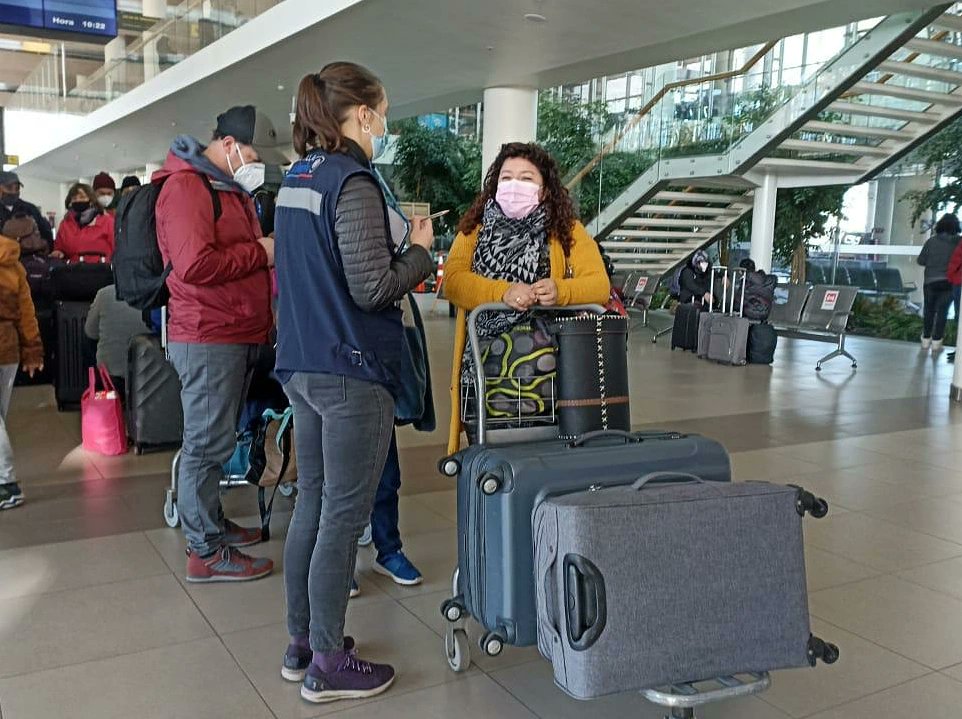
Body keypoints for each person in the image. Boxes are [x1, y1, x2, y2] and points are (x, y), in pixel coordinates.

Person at [274, 62, 435, 704]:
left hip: (304, 364)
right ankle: (328, 663)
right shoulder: (353, 180)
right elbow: (372, 287)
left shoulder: (297, 178)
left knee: (312, 504)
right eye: (385, 111)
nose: (387, 123)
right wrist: (420, 252)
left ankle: (302, 643)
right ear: (362, 113)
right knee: (342, 513)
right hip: (351, 369)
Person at [154, 104, 284, 583]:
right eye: (254, 152)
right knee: (205, 446)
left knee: (217, 438)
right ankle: (204, 551)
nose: (259, 164)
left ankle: (211, 525)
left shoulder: (225, 188)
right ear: (229, 146)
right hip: (209, 336)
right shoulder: (188, 187)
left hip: (233, 332)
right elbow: (193, 266)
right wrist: (262, 251)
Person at [444, 141, 610, 455]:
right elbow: (453, 281)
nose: (514, 185)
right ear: (495, 185)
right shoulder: (472, 231)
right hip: (483, 378)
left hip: (554, 385)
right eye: (506, 178)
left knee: (547, 463)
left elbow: (599, 285)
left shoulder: (567, 231)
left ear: (545, 189)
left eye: (526, 178)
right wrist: (501, 292)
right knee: (488, 464)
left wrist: (562, 291)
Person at [0, 231, 44, 510]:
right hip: (8, 348)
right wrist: (32, 350)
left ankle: (7, 484)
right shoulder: (12, 262)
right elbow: (26, 312)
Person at [84, 284, 150, 400]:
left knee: (89, 343)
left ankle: (98, 396)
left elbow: (90, 332)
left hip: (110, 378)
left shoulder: (104, 294)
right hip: (150, 375)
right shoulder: (156, 293)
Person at [917, 213, 961, 353]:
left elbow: (921, 260)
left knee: (929, 310)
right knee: (943, 312)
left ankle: (925, 340)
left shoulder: (931, 241)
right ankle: (937, 342)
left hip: (930, 281)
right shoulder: (959, 242)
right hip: (949, 281)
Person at [52, 183, 115, 262]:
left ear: (91, 200)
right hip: (73, 270)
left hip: (101, 270)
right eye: (74, 198)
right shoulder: (65, 224)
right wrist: (58, 252)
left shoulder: (107, 222)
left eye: (82, 197)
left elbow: (118, 250)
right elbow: (59, 247)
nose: (78, 200)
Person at [0, 171, 54, 250]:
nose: (13, 192)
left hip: (31, 258)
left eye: (17, 188)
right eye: (9, 188)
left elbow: (46, 233)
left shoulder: (30, 209)